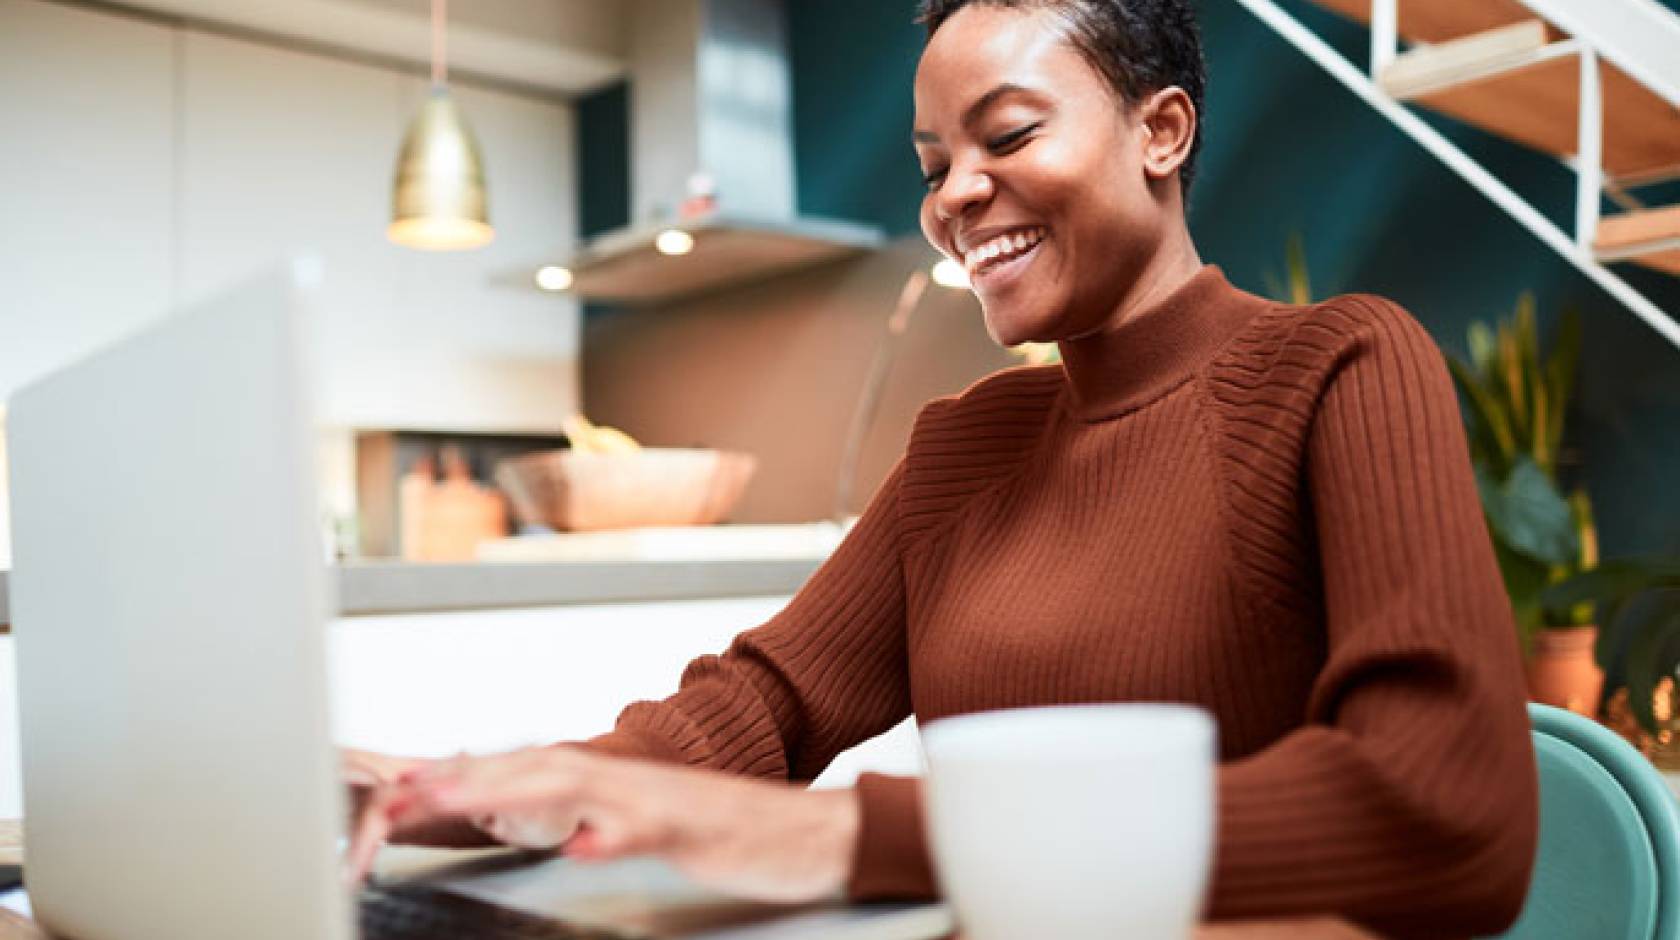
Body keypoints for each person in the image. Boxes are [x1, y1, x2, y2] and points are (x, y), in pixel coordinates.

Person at [349, 0, 1540, 934]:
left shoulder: (1340, 366)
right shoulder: (961, 445)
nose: (957, 196)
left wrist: (843, 837)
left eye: (1009, 134)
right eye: (932, 163)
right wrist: (490, 786)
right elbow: (758, 707)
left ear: (1161, 130)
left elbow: (1445, 810)